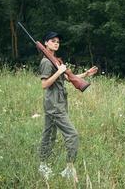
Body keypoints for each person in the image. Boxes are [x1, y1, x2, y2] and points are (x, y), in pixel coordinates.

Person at [38, 31, 98, 181]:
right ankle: (69, 168)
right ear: (45, 43)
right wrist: (58, 72)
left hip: (57, 103)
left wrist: (85, 74)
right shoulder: (46, 62)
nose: (56, 43)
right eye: (52, 41)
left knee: (49, 135)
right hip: (54, 105)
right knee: (72, 135)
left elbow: (67, 78)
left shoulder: (55, 60)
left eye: (58, 41)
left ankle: (43, 165)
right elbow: (44, 84)